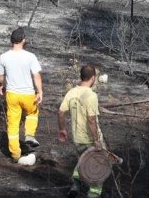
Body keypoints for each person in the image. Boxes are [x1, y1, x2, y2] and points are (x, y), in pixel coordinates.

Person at [58, 64, 108, 198]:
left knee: (82, 161)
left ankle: (75, 186)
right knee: (98, 166)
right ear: (93, 78)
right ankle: (93, 194)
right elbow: (91, 119)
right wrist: (96, 140)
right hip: (90, 139)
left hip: (77, 139)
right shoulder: (91, 95)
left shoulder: (72, 92)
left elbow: (61, 112)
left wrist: (62, 129)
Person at [0, 27, 43, 165]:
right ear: (23, 40)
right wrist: (40, 91)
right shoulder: (30, 57)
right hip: (28, 94)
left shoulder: (3, 57)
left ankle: (15, 154)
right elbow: (36, 75)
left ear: (11, 41)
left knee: (13, 124)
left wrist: (1, 85)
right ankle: (29, 134)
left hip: (12, 94)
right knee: (32, 113)